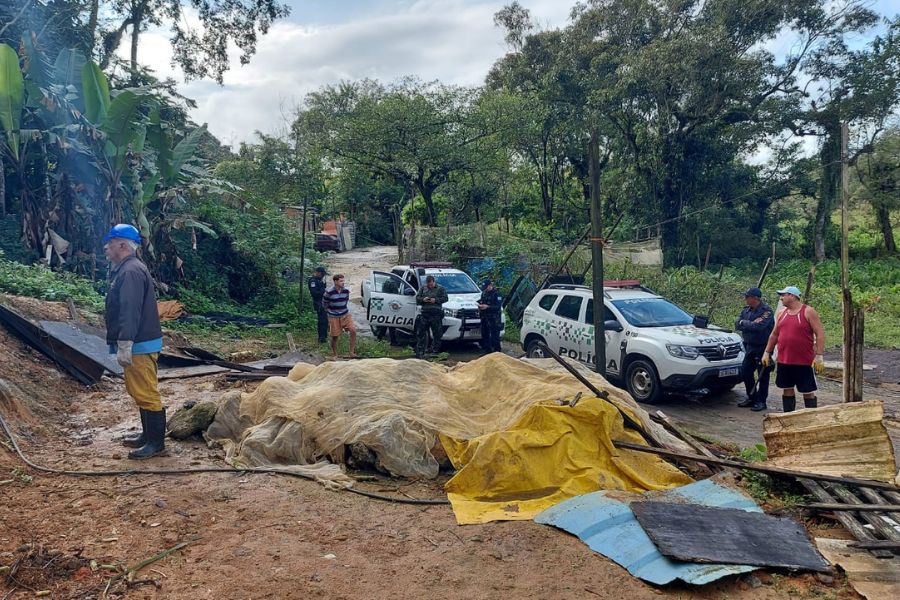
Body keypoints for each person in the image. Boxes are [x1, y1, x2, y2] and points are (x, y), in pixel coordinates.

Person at [103, 224, 166, 460]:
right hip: (140, 341)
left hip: (139, 343)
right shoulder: (128, 269)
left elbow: (129, 310)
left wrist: (125, 342)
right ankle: (147, 436)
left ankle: (156, 444)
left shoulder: (130, 271)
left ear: (122, 245)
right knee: (140, 389)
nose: (106, 248)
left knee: (146, 391)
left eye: (110, 243)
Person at [762, 286, 826, 413]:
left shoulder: (808, 311)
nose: (781, 298)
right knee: (787, 388)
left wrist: (819, 356)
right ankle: (788, 416)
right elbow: (775, 334)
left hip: (804, 361)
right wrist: (767, 352)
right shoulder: (781, 313)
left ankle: (811, 417)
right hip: (784, 360)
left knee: (807, 390)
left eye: (783, 295)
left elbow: (820, 334)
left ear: (792, 296)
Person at [734, 287, 774, 412]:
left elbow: (759, 327)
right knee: (745, 371)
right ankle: (751, 397)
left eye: (747, 297)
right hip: (749, 345)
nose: (745, 299)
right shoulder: (746, 310)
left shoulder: (766, 311)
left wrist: (744, 323)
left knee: (762, 374)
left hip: (763, 347)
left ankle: (761, 401)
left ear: (755, 298)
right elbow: (737, 324)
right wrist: (747, 323)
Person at [323, 273, 357, 358]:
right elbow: (325, 304)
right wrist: (329, 314)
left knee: (353, 330)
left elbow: (345, 301)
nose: (343, 283)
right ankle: (335, 354)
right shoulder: (329, 292)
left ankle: (352, 352)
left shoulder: (346, 291)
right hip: (334, 316)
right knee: (335, 336)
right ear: (335, 282)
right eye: (341, 281)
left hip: (345, 314)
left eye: (343, 281)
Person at [415, 275, 448, 358]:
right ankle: (421, 351)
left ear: (434, 282)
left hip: (435, 314)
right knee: (421, 333)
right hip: (425, 313)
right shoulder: (423, 288)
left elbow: (445, 298)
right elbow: (417, 298)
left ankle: (434, 350)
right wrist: (423, 299)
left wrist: (435, 300)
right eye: (428, 285)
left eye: (431, 284)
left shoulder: (440, 289)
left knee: (437, 333)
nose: (430, 286)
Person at [478, 279, 503, 354]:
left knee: (495, 336)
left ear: (490, 286)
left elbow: (498, 307)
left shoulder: (497, 294)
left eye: (486, 287)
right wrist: (480, 305)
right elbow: (482, 300)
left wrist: (488, 307)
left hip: (494, 318)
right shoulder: (484, 293)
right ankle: (487, 351)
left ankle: (497, 352)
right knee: (485, 334)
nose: (485, 289)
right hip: (485, 317)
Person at [307, 266, 328, 344]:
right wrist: (323, 290)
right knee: (322, 321)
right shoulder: (313, 281)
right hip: (318, 303)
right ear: (318, 273)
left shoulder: (320, 281)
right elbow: (315, 294)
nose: (323, 276)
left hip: (323, 303)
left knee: (325, 321)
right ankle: (321, 338)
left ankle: (324, 336)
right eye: (322, 274)